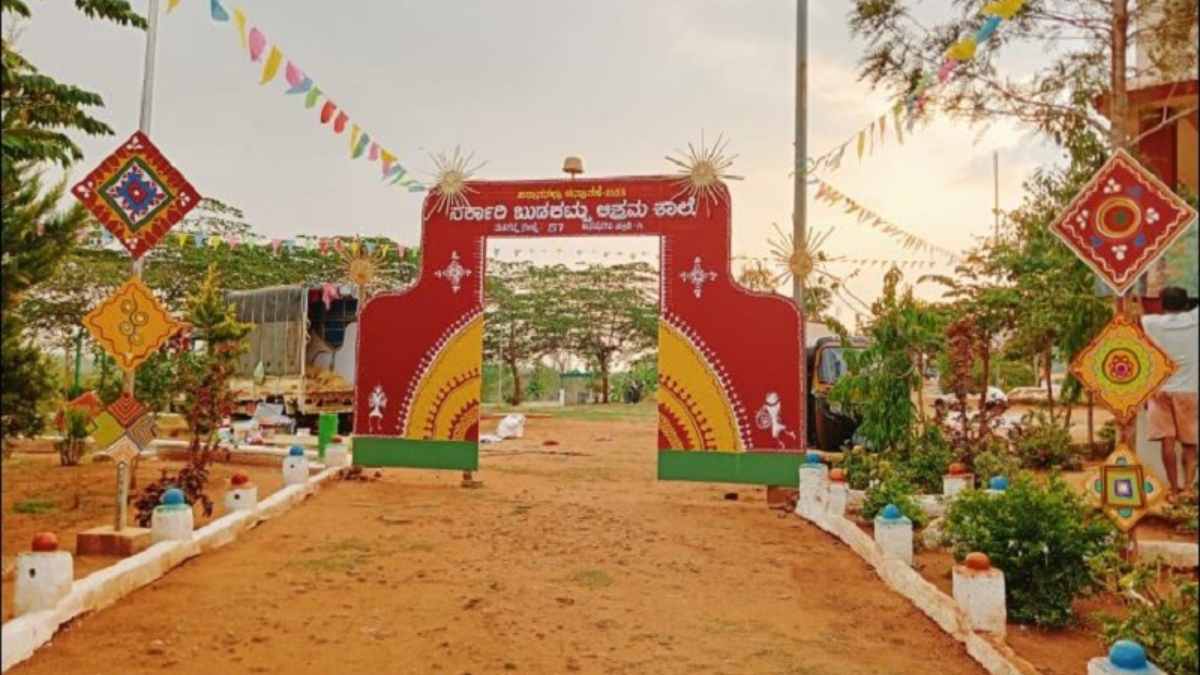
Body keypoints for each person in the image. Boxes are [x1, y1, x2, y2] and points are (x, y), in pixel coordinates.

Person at [1142, 286, 1198, 498]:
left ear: (1162, 304)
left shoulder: (1152, 323)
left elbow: (1133, 309)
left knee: (1167, 442)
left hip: (1160, 390)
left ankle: (1173, 490)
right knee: (1190, 442)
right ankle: (1188, 488)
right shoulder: (1195, 320)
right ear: (1186, 304)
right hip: (1189, 390)